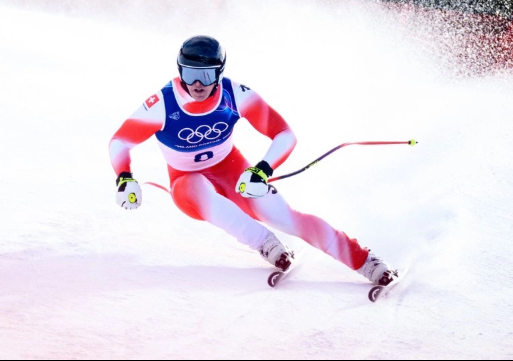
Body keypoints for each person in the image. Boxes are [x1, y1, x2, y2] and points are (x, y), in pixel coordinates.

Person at [108, 35, 395, 286]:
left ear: (219, 73)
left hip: (233, 171)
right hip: (186, 183)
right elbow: (120, 142)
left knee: (285, 217)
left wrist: (262, 169)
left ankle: (364, 260)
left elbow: (284, 134)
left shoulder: (236, 95)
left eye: (206, 75)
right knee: (201, 191)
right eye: (189, 73)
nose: (196, 83)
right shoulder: (161, 105)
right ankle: (265, 243)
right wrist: (124, 177)